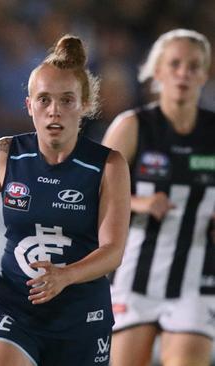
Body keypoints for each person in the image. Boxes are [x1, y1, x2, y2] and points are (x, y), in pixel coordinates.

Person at [0, 35, 131, 366]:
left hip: (81, 317)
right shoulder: (5, 154)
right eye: (44, 100)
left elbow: (113, 252)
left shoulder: (109, 165)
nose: (54, 111)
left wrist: (66, 275)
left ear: (85, 105)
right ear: (29, 105)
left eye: (66, 100)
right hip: (14, 307)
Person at [104, 29, 215, 366]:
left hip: (196, 277)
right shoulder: (132, 126)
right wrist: (139, 203)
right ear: (158, 71)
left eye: (194, 66)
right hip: (134, 273)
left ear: (205, 74)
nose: (184, 73)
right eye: (175, 64)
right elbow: (94, 191)